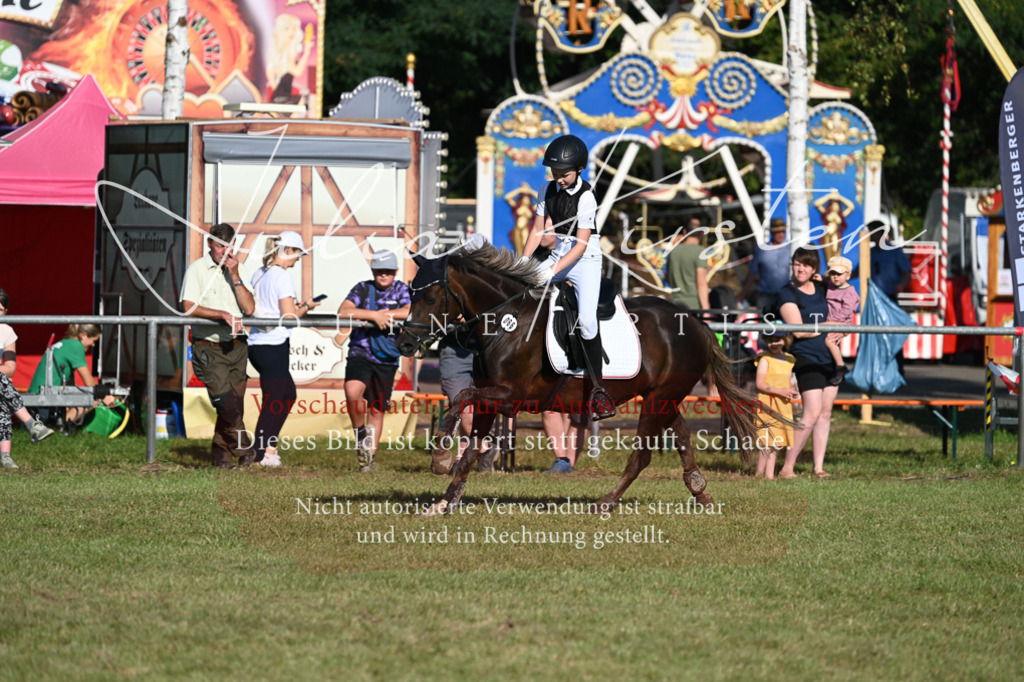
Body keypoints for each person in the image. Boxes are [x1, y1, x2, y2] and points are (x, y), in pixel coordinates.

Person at [521, 133, 615, 420]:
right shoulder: (544, 189)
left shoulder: (587, 196)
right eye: (555, 173)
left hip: (584, 259)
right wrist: (523, 263)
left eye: (564, 174)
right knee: (520, 291)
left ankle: (599, 391)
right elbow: (538, 231)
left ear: (579, 170)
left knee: (587, 322)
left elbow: (582, 245)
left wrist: (553, 269)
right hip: (558, 254)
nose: (558, 178)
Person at [181, 222, 256, 470]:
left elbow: (249, 308)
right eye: (220, 245)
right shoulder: (197, 270)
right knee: (225, 402)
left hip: (237, 346)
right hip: (209, 346)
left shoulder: (240, 269)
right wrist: (221, 314)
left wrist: (235, 276)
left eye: (229, 245)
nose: (225, 251)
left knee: (234, 404)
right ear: (210, 244)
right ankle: (246, 450)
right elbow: (188, 307)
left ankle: (221, 458)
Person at [248, 231, 320, 467]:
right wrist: (307, 306)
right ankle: (259, 454)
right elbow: (289, 317)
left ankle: (267, 447)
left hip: (258, 344)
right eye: (297, 254)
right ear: (288, 251)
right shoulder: (282, 277)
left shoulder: (260, 273)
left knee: (286, 395)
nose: (298, 259)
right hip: (273, 344)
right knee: (276, 400)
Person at [339, 250, 411, 472]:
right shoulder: (362, 288)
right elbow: (344, 311)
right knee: (352, 392)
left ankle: (367, 459)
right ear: (373, 271)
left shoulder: (402, 289)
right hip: (360, 351)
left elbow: (410, 311)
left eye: (388, 272)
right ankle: (360, 432)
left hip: (387, 356)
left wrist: (385, 315)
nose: (384, 275)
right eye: (380, 271)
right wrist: (374, 316)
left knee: (377, 409)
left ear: (395, 272)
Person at [776, 247, 837, 479]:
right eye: (797, 264)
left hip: (830, 355)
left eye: (806, 265)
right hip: (806, 356)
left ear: (814, 269)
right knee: (810, 413)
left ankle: (818, 468)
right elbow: (799, 331)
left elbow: (843, 295)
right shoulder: (787, 293)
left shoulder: (821, 288)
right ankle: (787, 467)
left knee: (825, 413)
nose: (800, 269)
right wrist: (834, 326)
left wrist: (830, 279)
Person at [28, 323, 118, 433]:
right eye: (94, 340)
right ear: (84, 335)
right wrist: (105, 395)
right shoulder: (76, 346)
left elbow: (71, 386)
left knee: (78, 397)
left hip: (36, 393)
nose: (93, 345)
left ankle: (62, 425)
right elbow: (89, 382)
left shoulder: (65, 343)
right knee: (95, 399)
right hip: (44, 398)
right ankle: (58, 427)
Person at [0, 289, 53, 468]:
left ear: (6, 312)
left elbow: (10, 368)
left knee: (2, 385)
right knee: (2, 383)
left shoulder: (7, 331)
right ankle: (31, 424)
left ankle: (5, 456)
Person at [754, 331, 798, 480]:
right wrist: (780, 391)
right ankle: (763, 475)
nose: (773, 344)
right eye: (770, 340)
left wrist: (791, 390)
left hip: (783, 405)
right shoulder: (765, 359)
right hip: (768, 403)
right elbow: (760, 384)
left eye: (777, 340)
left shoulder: (790, 359)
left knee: (777, 440)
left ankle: (765, 475)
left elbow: (788, 381)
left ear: (785, 340)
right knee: (767, 440)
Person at [741, 217, 791, 317]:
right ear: (772, 233)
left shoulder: (791, 248)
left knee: (786, 326)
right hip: (765, 295)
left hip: (785, 295)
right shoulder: (761, 250)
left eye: (782, 231)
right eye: (777, 232)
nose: (781, 234)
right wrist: (742, 295)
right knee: (764, 326)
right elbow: (752, 273)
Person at [822, 255, 860, 386]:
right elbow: (827, 286)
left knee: (829, 340)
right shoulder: (831, 286)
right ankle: (834, 368)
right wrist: (821, 279)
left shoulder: (849, 291)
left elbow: (847, 310)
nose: (835, 277)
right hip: (831, 322)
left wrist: (834, 321)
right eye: (832, 274)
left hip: (840, 322)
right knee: (829, 343)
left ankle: (840, 365)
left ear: (848, 276)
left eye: (839, 274)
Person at [667, 217, 711, 314]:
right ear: (701, 233)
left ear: (684, 232)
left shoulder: (674, 252)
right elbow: (701, 284)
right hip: (694, 307)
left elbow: (668, 278)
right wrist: (706, 311)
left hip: (675, 304)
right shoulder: (700, 252)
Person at [868, 222, 911, 300]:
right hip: (874, 296)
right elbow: (860, 270)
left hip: (890, 295)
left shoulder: (895, 251)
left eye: (871, 231)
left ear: (879, 233)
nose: (868, 235)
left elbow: (907, 273)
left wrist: (901, 285)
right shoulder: (870, 252)